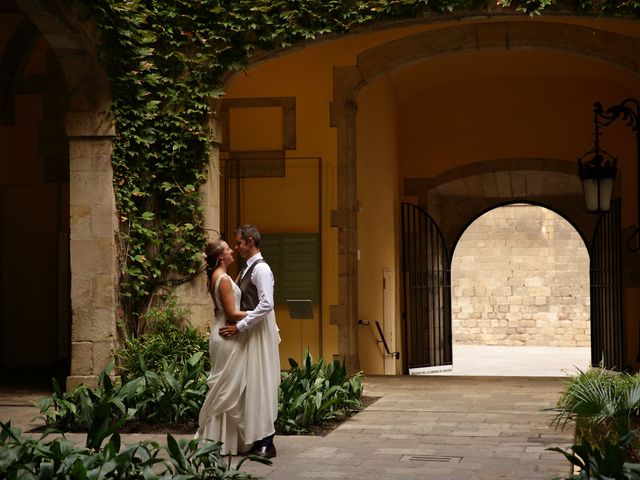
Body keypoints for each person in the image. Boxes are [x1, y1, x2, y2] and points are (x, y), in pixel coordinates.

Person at [219, 224, 280, 459]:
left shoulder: (261, 269)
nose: (236, 247)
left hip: (259, 333)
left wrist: (240, 326)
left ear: (250, 242)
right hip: (251, 332)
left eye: (239, 243)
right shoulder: (247, 268)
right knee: (251, 384)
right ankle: (256, 437)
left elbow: (266, 304)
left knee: (262, 382)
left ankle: (267, 442)